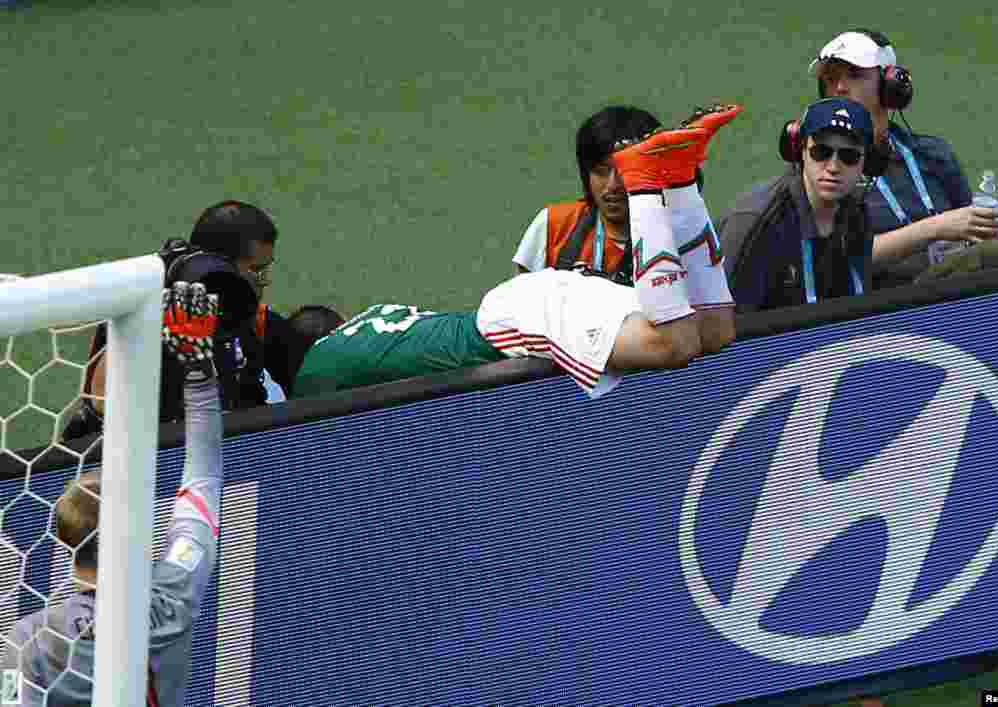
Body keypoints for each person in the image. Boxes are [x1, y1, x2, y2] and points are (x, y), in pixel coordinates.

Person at [291, 105, 743, 399]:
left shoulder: (320, 372)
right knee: (714, 330)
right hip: (537, 305)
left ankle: (650, 175)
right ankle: (679, 178)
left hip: (528, 311)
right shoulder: (365, 334)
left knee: (675, 343)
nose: (610, 187)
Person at [1, 282, 225, 706]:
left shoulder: (29, 638)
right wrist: (198, 372)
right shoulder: (176, 590)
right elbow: (205, 476)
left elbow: (8, 700)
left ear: (65, 539)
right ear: (138, 532)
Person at [62, 200, 291, 442]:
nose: (263, 283)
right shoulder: (143, 320)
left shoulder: (248, 320)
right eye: (257, 271)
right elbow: (101, 412)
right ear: (220, 269)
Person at [810, 28, 998, 288]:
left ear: (891, 86)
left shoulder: (933, 154)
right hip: (881, 308)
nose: (840, 87)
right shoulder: (819, 165)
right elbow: (835, 260)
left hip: (955, 292)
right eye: (831, 79)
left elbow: (979, 235)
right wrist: (935, 228)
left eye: (854, 76)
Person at [719, 98, 876, 311]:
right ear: (800, 150)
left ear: (867, 162)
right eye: (821, 152)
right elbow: (725, 328)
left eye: (849, 156)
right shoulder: (757, 223)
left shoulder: (858, 214)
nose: (833, 167)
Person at [511, 105, 662, 284]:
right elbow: (519, 304)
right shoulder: (554, 224)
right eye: (600, 171)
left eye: (625, 171)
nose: (613, 185)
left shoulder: (678, 232)